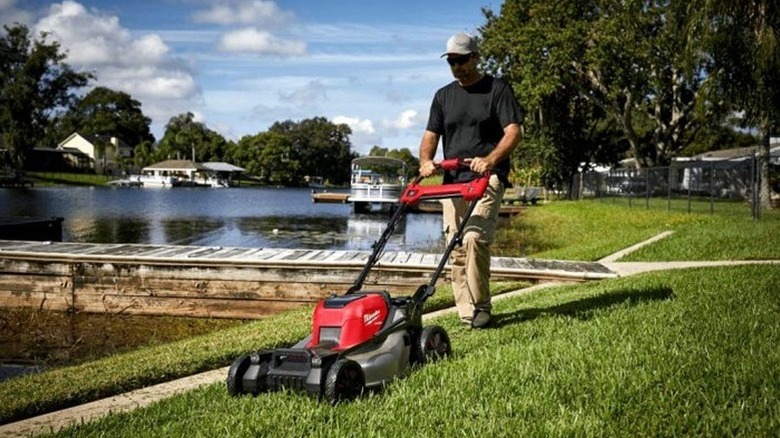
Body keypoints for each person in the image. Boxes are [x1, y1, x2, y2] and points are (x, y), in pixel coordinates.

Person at [418, 32, 523, 329]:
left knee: (475, 238)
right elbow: (430, 136)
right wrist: (426, 161)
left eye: (462, 60)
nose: (457, 67)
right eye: (452, 61)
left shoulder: (497, 90)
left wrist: (490, 159)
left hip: (487, 177)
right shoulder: (443, 96)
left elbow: (514, 131)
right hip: (453, 182)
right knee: (456, 246)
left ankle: (482, 306)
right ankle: (467, 312)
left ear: (476, 57)